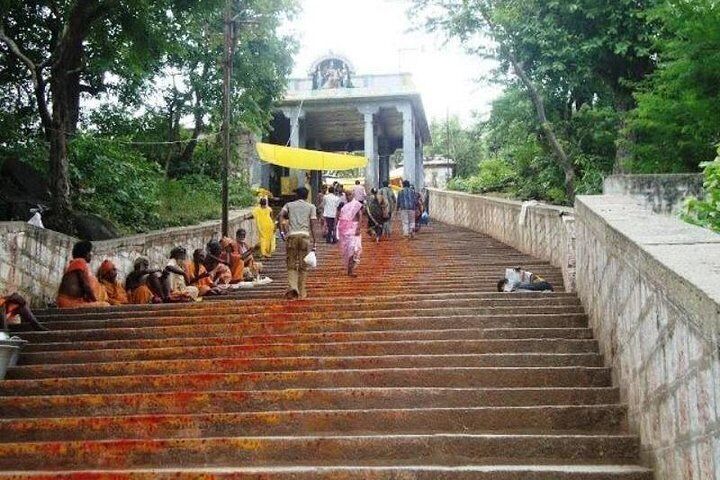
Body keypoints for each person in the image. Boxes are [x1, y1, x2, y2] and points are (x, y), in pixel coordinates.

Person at [279, 187, 317, 300]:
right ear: (306, 195)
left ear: (297, 195)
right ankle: (302, 292)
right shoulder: (311, 206)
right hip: (305, 236)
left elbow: (281, 215)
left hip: (292, 236)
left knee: (291, 264)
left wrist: (282, 231)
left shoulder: (289, 205)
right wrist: (314, 240)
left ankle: (293, 287)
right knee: (303, 266)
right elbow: (313, 225)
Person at [56, 241, 110, 309]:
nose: (91, 255)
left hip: (70, 301)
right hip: (68, 302)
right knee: (104, 305)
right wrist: (96, 301)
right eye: (90, 252)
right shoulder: (80, 262)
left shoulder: (74, 263)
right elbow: (86, 286)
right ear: (85, 253)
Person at [337, 199, 363, 277]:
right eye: (347, 195)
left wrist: (358, 227)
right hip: (345, 231)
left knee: (354, 248)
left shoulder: (356, 205)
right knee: (347, 250)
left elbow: (360, 216)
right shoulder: (343, 206)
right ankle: (349, 270)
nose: (348, 197)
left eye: (350, 194)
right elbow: (339, 217)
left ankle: (350, 270)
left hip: (354, 230)